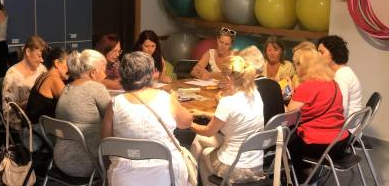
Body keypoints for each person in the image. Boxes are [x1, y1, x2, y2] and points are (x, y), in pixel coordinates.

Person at [101, 51, 193, 186]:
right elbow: (186, 122)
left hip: (123, 176)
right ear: (151, 73)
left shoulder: (115, 102)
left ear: (123, 75)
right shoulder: (166, 98)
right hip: (165, 175)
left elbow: (105, 141)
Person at [190, 56, 264, 186]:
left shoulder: (227, 102)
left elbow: (208, 131)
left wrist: (189, 124)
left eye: (222, 77)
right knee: (210, 145)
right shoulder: (255, 93)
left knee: (204, 154)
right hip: (257, 165)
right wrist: (203, 113)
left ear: (228, 79)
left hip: (235, 168)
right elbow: (230, 118)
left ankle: (190, 180)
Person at [286, 42, 350, 183]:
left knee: (286, 140)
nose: (295, 68)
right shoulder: (333, 83)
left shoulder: (307, 86)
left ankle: (297, 178)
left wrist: (289, 97)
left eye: (296, 64)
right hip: (340, 141)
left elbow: (289, 117)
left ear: (303, 65)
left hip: (321, 146)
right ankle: (307, 172)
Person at [54, 49, 110, 177]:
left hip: (61, 158)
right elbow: (113, 120)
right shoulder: (96, 88)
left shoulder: (67, 87)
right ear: (93, 72)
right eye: (103, 70)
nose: (105, 74)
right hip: (87, 162)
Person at [2, 35, 47, 130]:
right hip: (21, 121)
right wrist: (31, 102)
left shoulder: (42, 69)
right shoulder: (12, 75)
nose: (42, 59)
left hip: (39, 116)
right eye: (39, 55)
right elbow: (8, 111)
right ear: (28, 51)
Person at [317, 35, 362, 118]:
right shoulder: (342, 71)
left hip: (346, 127)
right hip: (348, 122)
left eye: (322, 52)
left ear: (333, 53)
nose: (317, 56)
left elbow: (340, 108)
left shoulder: (341, 75)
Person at [239, 46, 285, 125]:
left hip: (257, 135)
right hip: (276, 133)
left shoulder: (248, 89)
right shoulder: (275, 85)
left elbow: (238, 118)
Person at [26, 46, 69, 124]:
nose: (70, 68)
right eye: (68, 63)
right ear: (57, 63)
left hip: (30, 127)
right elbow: (71, 105)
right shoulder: (53, 78)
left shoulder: (44, 75)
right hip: (38, 131)